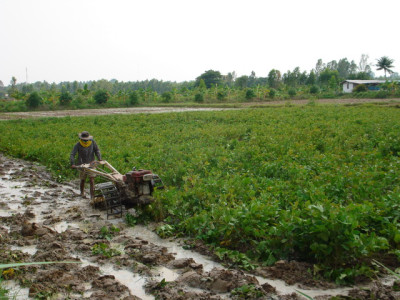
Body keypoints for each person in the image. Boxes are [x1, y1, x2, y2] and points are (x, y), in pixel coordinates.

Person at [70, 131, 102, 199]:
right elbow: (72, 154)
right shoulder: (78, 144)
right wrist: (72, 163)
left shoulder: (92, 142)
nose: (85, 141)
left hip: (91, 164)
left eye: (86, 140)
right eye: (83, 140)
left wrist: (99, 158)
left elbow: (97, 150)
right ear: (81, 139)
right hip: (82, 164)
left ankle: (92, 196)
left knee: (92, 180)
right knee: (82, 179)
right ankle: (82, 193)